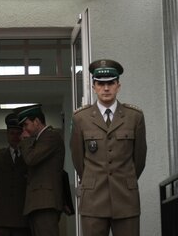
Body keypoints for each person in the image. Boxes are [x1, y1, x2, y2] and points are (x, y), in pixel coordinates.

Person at [70, 59, 147, 236]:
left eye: (111, 83)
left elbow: (139, 158)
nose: (106, 88)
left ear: (118, 85)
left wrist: (125, 180)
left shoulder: (134, 117)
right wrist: (92, 180)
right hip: (93, 200)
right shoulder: (80, 118)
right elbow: (78, 159)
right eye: (101, 83)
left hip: (126, 198)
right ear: (93, 86)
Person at [16, 104, 65, 236]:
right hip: (39, 203)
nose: (24, 130)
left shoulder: (50, 136)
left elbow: (31, 159)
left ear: (37, 121)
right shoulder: (39, 140)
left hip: (45, 203)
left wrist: (25, 141)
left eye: (26, 125)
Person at [0, 113, 31, 236]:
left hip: (23, 218)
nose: (15, 137)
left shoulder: (30, 156)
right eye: (11, 133)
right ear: (7, 135)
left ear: (23, 134)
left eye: (18, 133)